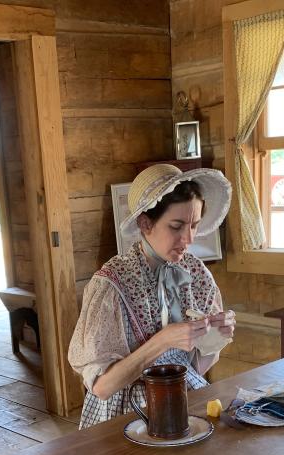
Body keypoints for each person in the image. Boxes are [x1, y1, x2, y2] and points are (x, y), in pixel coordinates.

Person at [68, 163, 236, 429]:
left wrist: (214, 338)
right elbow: (101, 388)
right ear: (145, 223)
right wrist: (161, 341)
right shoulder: (112, 283)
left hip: (180, 399)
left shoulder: (195, 273)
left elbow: (195, 368)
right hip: (124, 414)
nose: (188, 238)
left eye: (194, 225)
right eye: (176, 226)